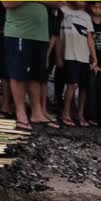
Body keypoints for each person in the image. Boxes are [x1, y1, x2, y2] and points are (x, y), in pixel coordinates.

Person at [3, 1, 63, 130]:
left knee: (35, 75)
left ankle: (37, 113)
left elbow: (60, 2)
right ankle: (21, 113)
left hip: (40, 35)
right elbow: (7, 3)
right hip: (19, 32)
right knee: (18, 73)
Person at [58, 1, 97, 128]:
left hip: (84, 56)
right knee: (72, 84)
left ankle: (80, 114)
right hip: (69, 55)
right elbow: (57, 35)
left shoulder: (86, 16)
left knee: (83, 87)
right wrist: (58, 55)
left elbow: (90, 38)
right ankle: (66, 113)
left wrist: (94, 57)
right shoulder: (62, 10)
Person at [85, 0, 101, 126]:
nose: (97, 10)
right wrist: (91, 60)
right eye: (95, 7)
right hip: (90, 60)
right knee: (91, 86)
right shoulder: (87, 19)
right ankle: (90, 115)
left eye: (100, 7)